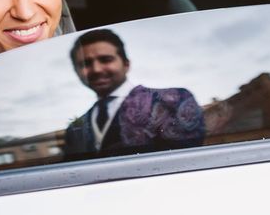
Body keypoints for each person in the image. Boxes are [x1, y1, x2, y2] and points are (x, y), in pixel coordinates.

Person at [64, 29, 205, 158]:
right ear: (76, 71)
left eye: (105, 59)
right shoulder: (74, 128)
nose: (96, 69)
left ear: (126, 64)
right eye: (85, 64)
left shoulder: (173, 100)